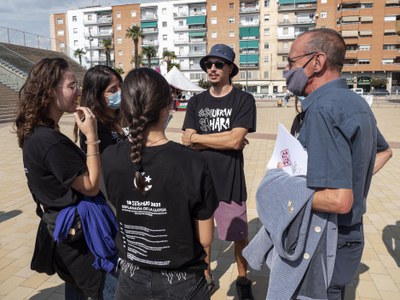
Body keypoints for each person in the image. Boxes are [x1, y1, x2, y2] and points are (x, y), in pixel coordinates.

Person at [283, 28, 392, 299]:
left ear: (317, 62)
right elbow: (384, 152)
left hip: (323, 240)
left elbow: (339, 201)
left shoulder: (323, 110)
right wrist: (357, 177)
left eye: (291, 62)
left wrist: (280, 194)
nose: (287, 70)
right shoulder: (354, 102)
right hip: (349, 236)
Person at [101, 68, 218, 300]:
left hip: (131, 277)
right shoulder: (193, 162)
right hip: (182, 280)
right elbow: (205, 238)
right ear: (168, 106)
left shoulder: (109, 157)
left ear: (124, 109)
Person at [14, 57, 114, 299]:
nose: (78, 91)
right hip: (81, 239)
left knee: (78, 289)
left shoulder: (38, 134)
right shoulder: (49, 141)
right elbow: (90, 186)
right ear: (50, 92)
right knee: (108, 289)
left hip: (67, 235)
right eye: (71, 86)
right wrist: (91, 136)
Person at [182, 44, 257, 300]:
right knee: (204, 240)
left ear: (230, 69)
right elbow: (186, 139)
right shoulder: (196, 101)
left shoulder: (244, 100)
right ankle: (205, 276)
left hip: (230, 180)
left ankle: (243, 279)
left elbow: (236, 141)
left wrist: (200, 139)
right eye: (208, 65)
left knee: (239, 238)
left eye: (218, 64)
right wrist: (226, 137)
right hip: (199, 181)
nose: (212, 69)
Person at [77, 65, 127, 154]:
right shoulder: (94, 125)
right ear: (96, 95)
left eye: (121, 86)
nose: (120, 92)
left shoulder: (125, 116)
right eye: (113, 90)